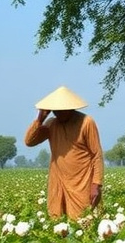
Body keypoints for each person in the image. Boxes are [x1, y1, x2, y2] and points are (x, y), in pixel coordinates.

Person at [24, 85, 104, 219]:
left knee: (83, 221)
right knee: (56, 220)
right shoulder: (51, 124)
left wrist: (96, 184)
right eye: (55, 111)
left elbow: (96, 155)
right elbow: (29, 141)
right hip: (58, 181)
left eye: (61, 111)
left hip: (82, 182)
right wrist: (40, 119)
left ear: (71, 108)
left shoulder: (86, 122)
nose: (57, 114)